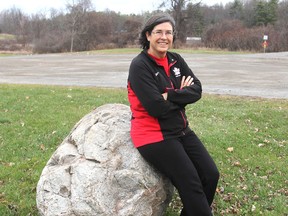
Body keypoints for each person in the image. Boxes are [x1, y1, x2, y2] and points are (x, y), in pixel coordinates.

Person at [127, 13, 219, 216]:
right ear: (148, 35)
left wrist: (169, 95)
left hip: (180, 130)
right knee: (191, 183)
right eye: (158, 32)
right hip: (153, 136)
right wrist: (181, 96)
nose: (164, 37)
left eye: (168, 32)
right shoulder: (140, 65)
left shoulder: (176, 60)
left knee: (211, 175)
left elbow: (197, 90)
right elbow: (155, 108)